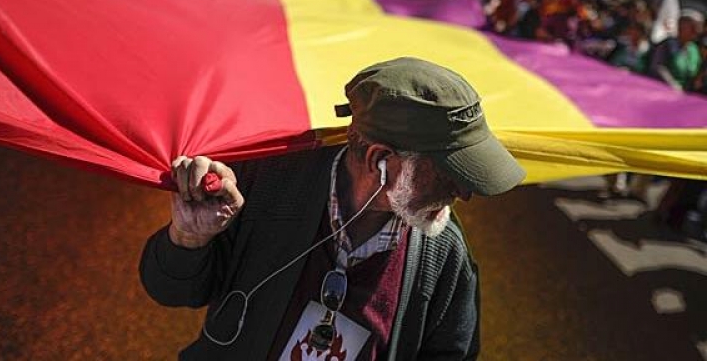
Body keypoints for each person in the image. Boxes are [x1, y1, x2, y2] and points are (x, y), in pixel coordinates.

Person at [140, 57, 526, 360]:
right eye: (448, 173)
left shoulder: (445, 256)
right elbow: (171, 291)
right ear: (381, 160)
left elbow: (451, 354)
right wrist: (189, 238)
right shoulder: (262, 182)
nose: (465, 191)